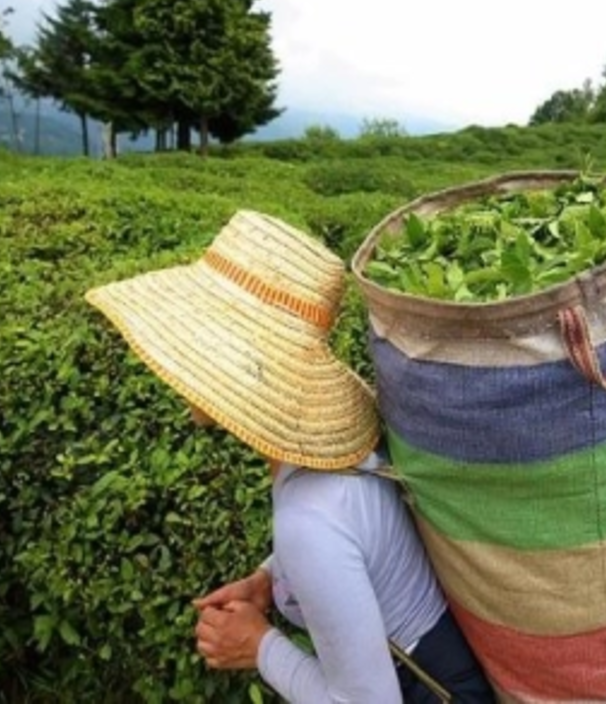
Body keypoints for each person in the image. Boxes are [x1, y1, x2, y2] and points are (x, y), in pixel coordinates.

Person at [85, 210, 495, 704]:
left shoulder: (308, 521)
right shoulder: (331, 462)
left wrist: (258, 646)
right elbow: (355, 540)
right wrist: (270, 580)